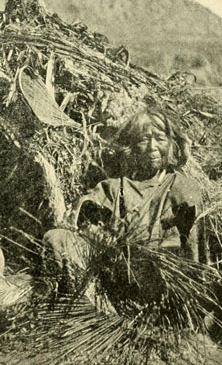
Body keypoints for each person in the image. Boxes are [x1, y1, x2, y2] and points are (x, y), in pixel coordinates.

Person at [43, 108, 207, 303]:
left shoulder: (181, 186)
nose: (152, 147)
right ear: (132, 146)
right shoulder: (115, 186)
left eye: (160, 139)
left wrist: (138, 253)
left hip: (154, 278)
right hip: (112, 272)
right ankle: (79, 303)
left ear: (172, 145)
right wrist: (96, 234)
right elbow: (82, 222)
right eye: (144, 139)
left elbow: (188, 249)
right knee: (57, 238)